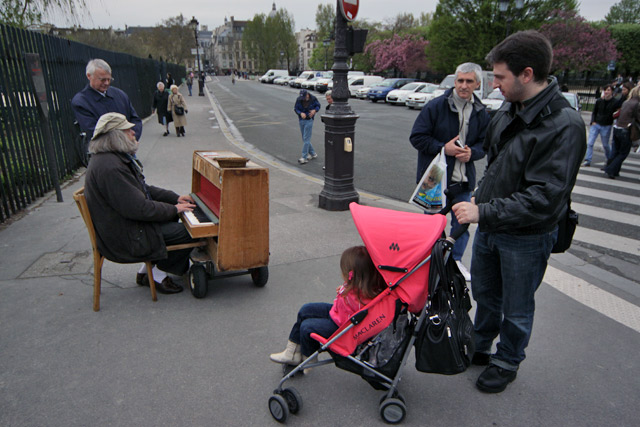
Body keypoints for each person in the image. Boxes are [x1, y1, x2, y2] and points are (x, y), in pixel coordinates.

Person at [451, 31, 585, 394]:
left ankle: (507, 360)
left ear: (527, 74)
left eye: (500, 77)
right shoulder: (512, 106)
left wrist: (483, 211)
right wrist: (482, 196)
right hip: (493, 222)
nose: (493, 85)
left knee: (517, 306)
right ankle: (481, 345)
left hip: (526, 235)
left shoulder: (565, 125)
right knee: (486, 293)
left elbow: (545, 198)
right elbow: (499, 164)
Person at [83, 112, 197, 294]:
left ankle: (146, 272)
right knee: (191, 232)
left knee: (176, 220)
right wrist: (174, 209)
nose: (134, 133)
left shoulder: (111, 159)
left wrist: (174, 199)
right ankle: (158, 274)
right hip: (125, 236)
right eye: (128, 130)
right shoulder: (111, 167)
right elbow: (139, 208)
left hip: (122, 227)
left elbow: (143, 189)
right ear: (116, 136)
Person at [409, 62, 490, 282]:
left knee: (462, 225)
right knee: (432, 225)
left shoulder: (481, 112)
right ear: (454, 82)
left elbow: (486, 145)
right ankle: (431, 262)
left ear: (477, 84)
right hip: (435, 179)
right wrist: (443, 148)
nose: (464, 85)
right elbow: (417, 137)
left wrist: (472, 153)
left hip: (463, 181)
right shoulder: (436, 106)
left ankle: (454, 262)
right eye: (460, 81)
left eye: (469, 81)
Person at [269, 246, 386, 366]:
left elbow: (357, 311)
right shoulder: (358, 286)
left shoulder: (363, 300)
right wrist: (344, 289)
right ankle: (291, 352)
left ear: (353, 275)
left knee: (307, 327)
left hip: (343, 328)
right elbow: (350, 297)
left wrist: (346, 293)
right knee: (306, 310)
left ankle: (308, 357)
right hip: (338, 313)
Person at [71, 59, 142, 141]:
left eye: (109, 79)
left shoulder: (120, 95)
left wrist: (133, 138)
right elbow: (94, 132)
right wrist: (124, 142)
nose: (107, 83)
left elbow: (135, 120)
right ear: (89, 76)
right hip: (103, 151)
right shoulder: (81, 102)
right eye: (102, 80)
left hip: (128, 147)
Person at [604, 86, 640, 179]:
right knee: (623, 153)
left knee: (616, 150)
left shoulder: (626, 102)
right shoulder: (637, 104)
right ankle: (611, 169)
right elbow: (638, 117)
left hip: (617, 128)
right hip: (626, 129)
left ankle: (613, 170)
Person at [582, 84, 616, 166]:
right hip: (596, 124)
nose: (607, 92)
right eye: (605, 90)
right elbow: (594, 112)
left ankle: (609, 159)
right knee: (590, 143)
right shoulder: (599, 101)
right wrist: (593, 121)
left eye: (608, 90)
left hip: (606, 125)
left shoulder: (614, 102)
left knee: (605, 144)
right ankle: (588, 160)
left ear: (612, 92)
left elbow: (615, 113)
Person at [294, 89, 321, 164]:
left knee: (306, 138)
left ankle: (304, 157)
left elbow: (318, 105)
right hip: (301, 120)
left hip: (309, 119)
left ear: (307, 95)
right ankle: (313, 153)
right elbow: (296, 108)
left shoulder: (313, 98)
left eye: (304, 97)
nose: (302, 99)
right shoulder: (299, 99)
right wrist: (300, 113)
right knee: (305, 138)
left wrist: (314, 110)